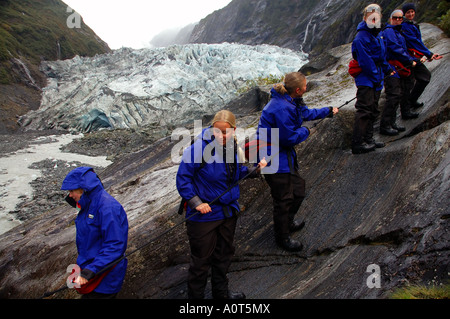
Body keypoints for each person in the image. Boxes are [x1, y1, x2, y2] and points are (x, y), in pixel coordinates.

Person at [176, 110, 267, 299]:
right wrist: (196, 203)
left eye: (225, 132)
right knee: (200, 263)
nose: (221, 136)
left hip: (227, 212)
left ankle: (221, 294)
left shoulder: (232, 146)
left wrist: (255, 170)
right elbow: (183, 179)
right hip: (204, 217)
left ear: (233, 130)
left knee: (223, 256)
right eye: (217, 132)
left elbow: (235, 172)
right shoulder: (198, 149)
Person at [255, 72, 338, 252]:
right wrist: (307, 132)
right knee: (283, 199)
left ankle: (288, 222)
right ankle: (282, 237)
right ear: (299, 89)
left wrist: (328, 111)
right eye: (305, 86)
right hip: (271, 158)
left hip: (283, 155)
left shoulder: (291, 99)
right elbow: (288, 138)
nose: (307, 88)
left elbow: (305, 114)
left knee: (298, 191)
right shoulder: (281, 108)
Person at [61, 166, 129, 299]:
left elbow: (115, 244)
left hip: (104, 278)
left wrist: (92, 269)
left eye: (72, 191)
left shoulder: (107, 207)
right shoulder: (87, 205)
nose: (70, 195)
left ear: (83, 188)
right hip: (90, 273)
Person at [351, 4, 394, 154]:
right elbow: (365, 62)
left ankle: (368, 139)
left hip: (377, 77)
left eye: (376, 17)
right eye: (371, 17)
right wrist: (376, 77)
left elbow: (381, 55)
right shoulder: (361, 38)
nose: (374, 20)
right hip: (366, 79)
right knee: (364, 110)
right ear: (365, 18)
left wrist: (388, 69)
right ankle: (358, 143)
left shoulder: (378, 34)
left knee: (373, 109)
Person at [380, 9, 419, 135]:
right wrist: (409, 60)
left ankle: (391, 123)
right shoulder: (389, 31)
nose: (398, 20)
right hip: (391, 68)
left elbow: (403, 49)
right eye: (395, 18)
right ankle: (385, 125)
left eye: (400, 18)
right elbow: (395, 48)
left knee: (398, 94)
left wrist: (413, 59)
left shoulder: (398, 32)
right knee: (393, 95)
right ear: (391, 18)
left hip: (398, 67)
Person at [401, 3, 442, 110]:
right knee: (411, 83)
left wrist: (429, 55)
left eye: (412, 11)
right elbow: (414, 42)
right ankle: (407, 107)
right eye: (408, 12)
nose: (410, 14)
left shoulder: (412, 24)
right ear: (404, 14)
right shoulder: (405, 26)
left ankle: (411, 101)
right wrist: (429, 54)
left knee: (424, 77)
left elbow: (418, 42)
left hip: (414, 58)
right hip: (409, 59)